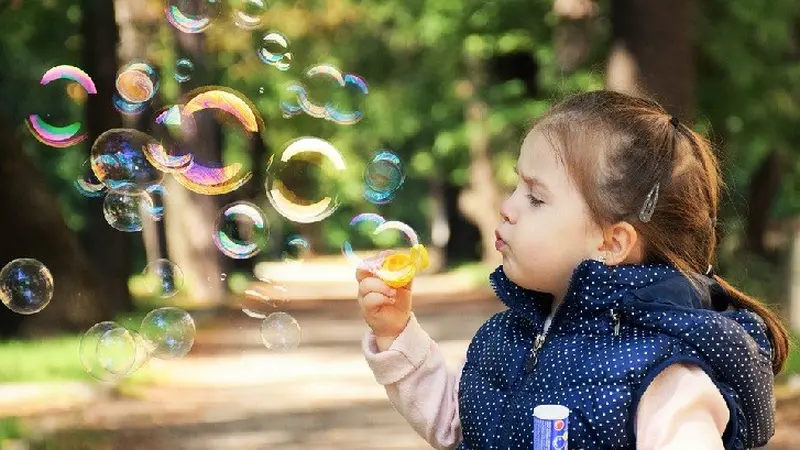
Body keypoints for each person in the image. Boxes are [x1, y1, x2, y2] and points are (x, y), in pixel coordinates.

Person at [356, 90, 789, 450]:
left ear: (612, 242)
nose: (507, 209)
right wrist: (397, 335)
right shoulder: (509, 336)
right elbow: (460, 426)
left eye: (536, 197)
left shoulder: (661, 373)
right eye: (515, 185)